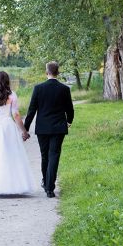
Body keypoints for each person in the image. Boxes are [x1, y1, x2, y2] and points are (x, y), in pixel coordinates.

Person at [24, 61, 74, 198]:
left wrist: (25, 129)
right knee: (54, 155)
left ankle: (46, 183)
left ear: (46, 72)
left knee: (45, 155)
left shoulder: (38, 88)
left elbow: (31, 110)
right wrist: (69, 121)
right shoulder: (64, 89)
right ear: (58, 72)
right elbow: (70, 109)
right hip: (59, 127)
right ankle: (50, 188)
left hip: (43, 128)